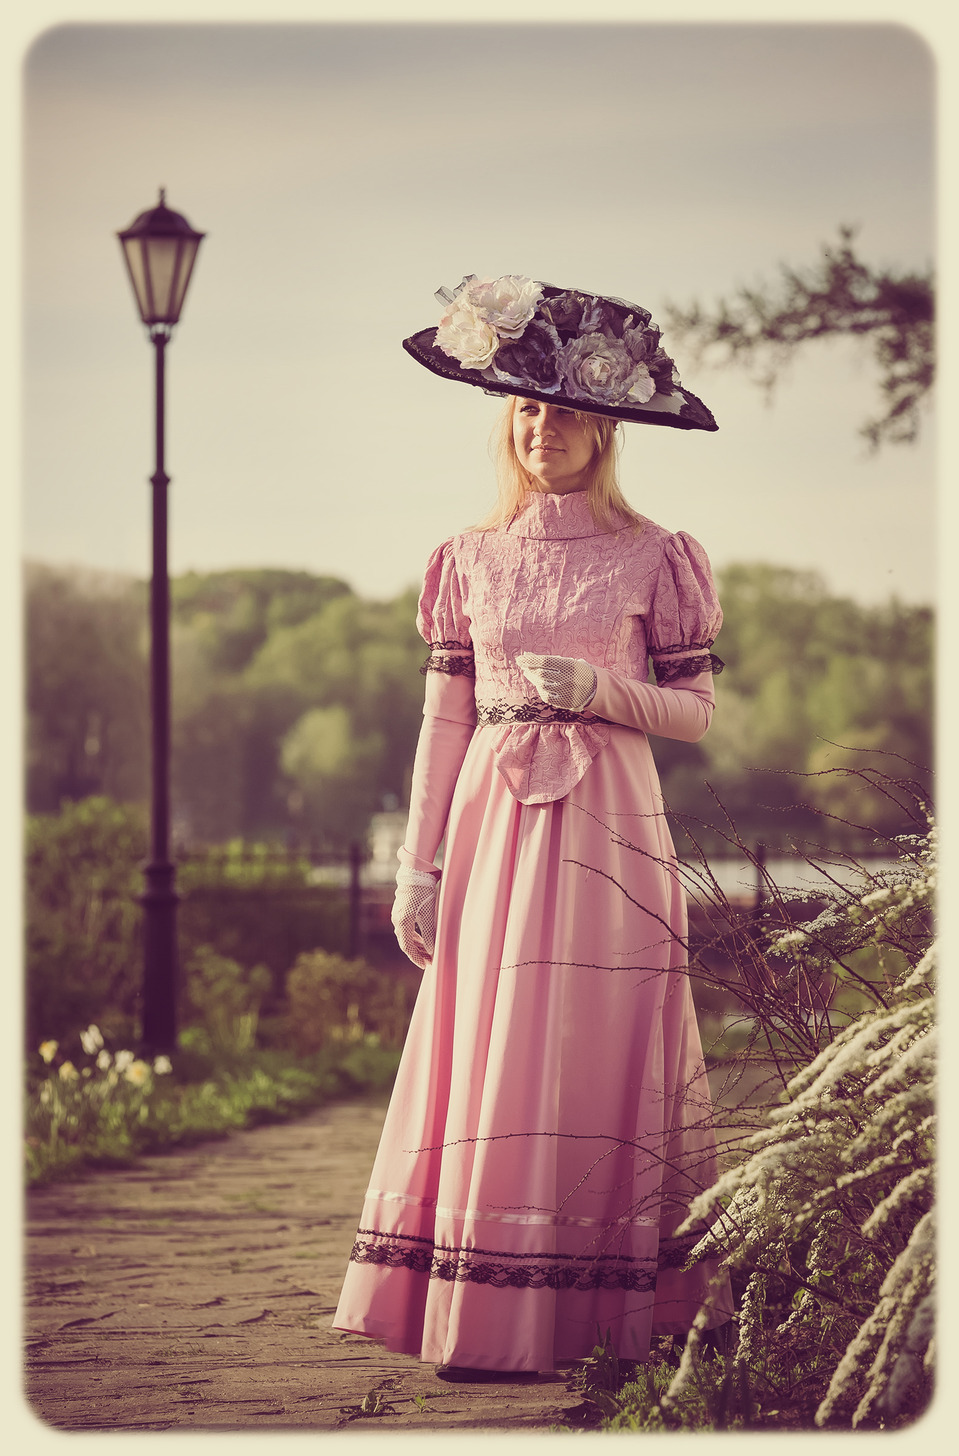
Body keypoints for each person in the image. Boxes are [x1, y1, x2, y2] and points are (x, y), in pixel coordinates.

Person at [332, 275, 733, 1380]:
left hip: (611, 825)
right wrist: (415, 867)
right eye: (523, 409)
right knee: (492, 1043)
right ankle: (482, 1308)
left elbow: (696, 716)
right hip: (490, 829)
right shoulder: (467, 557)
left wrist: (601, 692)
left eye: (560, 411)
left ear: (604, 428)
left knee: (597, 1041)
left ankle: (608, 1314)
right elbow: (442, 719)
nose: (540, 429)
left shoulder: (658, 556)